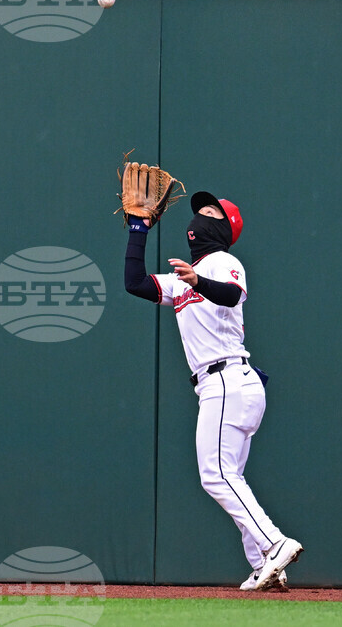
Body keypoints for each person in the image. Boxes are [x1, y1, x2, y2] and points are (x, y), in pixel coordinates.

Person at [123, 190, 303, 591]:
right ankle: (265, 566)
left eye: (209, 213)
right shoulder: (184, 277)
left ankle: (275, 543)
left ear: (222, 227)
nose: (198, 218)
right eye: (199, 211)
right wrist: (139, 229)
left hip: (227, 381)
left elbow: (231, 294)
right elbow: (134, 283)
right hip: (227, 386)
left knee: (215, 475)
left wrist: (197, 278)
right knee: (231, 475)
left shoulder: (223, 262)